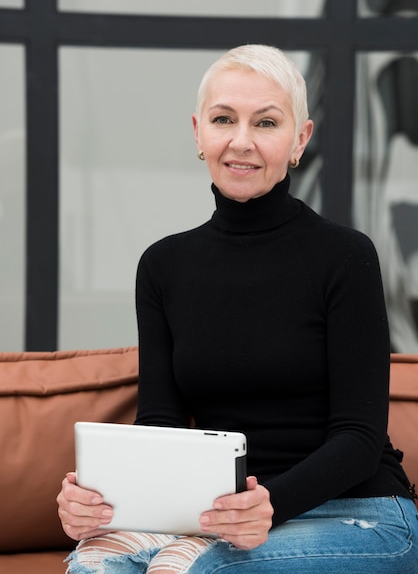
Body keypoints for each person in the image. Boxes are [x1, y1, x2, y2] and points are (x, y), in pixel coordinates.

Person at [57, 44, 418, 573]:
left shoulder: (346, 255)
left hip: (364, 514)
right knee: (93, 564)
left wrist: (267, 507)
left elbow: (360, 440)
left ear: (300, 140)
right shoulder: (163, 266)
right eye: (224, 119)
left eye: (266, 122)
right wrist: (100, 498)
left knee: (183, 568)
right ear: (198, 133)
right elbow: (161, 423)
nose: (241, 141)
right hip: (222, 516)